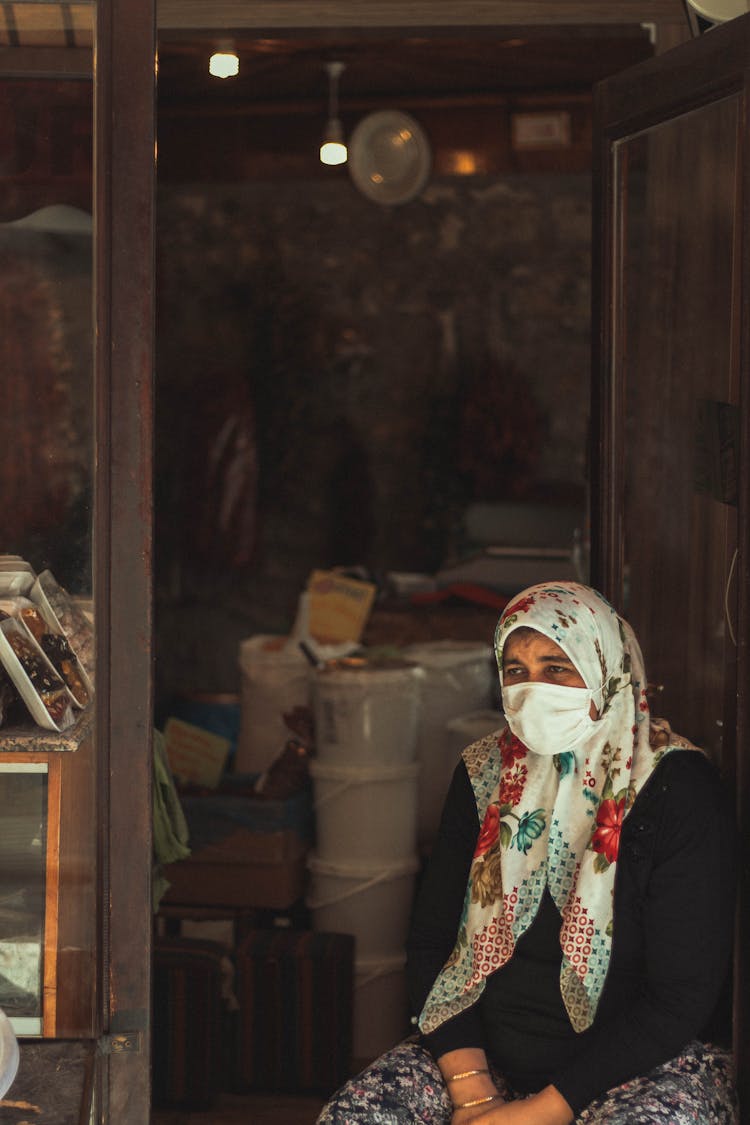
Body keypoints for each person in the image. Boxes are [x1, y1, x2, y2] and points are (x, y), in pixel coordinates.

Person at [317, 581, 738, 1124]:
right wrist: (473, 1094)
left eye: (557, 669)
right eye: (515, 671)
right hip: (484, 1060)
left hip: (643, 1067)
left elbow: (681, 996)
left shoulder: (677, 790)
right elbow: (430, 943)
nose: (533, 689)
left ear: (605, 671)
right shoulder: (482, 773)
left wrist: (539, 1112)